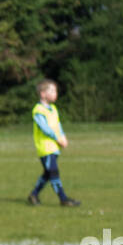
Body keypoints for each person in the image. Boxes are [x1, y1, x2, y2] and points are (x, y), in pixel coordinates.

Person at [27, 79, 80, 207]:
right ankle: (63, 199)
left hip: (54, 147)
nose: (55, 93)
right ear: (43, 94)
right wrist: (57, 138)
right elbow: (45, 128)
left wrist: (63, 136)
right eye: (52, 90)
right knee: (53, 172)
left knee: (48, 174)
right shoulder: (38, 110)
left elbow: (58, 125)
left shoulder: (53, 109)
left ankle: (33, 195)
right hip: (45, 149)